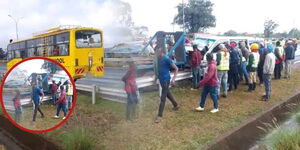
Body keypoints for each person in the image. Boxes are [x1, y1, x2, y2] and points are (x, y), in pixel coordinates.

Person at [154, 46, 179, 123]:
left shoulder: (166, 59)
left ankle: (159, 115)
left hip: (166, 80)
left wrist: (173, 79)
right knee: (167, 93)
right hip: (161, 80)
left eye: (156, 52)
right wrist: (156, 78)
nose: (155, 53)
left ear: (160, 51)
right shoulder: (158, 58)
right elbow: (158, 69)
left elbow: (176, 68)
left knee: (163, 97)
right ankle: (176, 105)